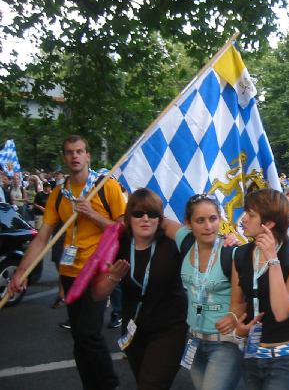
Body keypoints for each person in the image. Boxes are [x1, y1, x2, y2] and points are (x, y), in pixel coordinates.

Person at [8, 135, 125, 390]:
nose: (75, 156)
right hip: (70, 271)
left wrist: (92, 214)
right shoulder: (59, 194)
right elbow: (43, 237)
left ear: (88, 156)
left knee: (89, 333)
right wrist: (21, 271)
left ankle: (109, 384)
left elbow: (123, 228)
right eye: (70, 152)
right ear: (65, 157)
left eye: (80, 151)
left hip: (97, 271)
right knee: (79, 337)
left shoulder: (106, 187)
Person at [91, 188, 188, 389]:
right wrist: (113, 277)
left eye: (152, 214)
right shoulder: (118, 244)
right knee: (143, 380)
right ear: (129, 217)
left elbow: (200, 244)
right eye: (138, 214)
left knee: (151, 385)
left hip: (169, 328)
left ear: (160, 219)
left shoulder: (171, 244)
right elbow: (98, 293)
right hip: (134, 329)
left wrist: (228, 241)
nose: (146, 219)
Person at [161, 193, 244, 390]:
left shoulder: (231, 251)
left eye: (213, 219)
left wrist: (233, 316)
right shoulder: (186, 241)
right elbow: (160, 221)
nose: (208, 226)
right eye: (200, 220)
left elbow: (241, 302)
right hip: (194, 341)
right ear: (188, 223)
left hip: (225, 344)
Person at [231, 188, 289, 390]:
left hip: (287, 356)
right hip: (251, 354)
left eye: (250, 215)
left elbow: (282, 311)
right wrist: (237, 329)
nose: (243, 220)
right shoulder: (240, 255)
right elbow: (238, 304)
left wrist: (272, 261)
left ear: (269, 224)